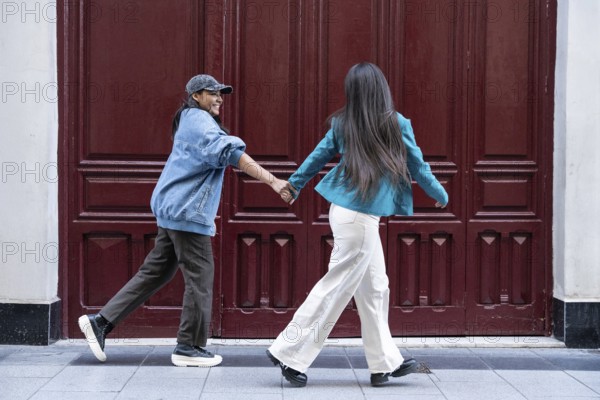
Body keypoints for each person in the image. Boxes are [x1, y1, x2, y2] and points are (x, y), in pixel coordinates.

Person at [78, 74, 293, 367]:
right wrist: (273, 181)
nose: (219, 98)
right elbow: (229, 152)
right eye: (212, 93)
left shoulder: (191, 120)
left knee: (156, 272)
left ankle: (101, 322)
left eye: (221, 94)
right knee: (200, 278)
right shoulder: (199, 121)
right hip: (187, 213)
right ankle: (188, 346)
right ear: (196, 96)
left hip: (174, 210)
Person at [267, 63, 449, 387]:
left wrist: (294, 184)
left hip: (348, 214)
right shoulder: (396, 124)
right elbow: (418, 167)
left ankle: (384, 364)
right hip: (359, 219)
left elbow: (316, 157)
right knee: (336, 286)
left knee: (376, 288)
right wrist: (440, 194)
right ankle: (288, 351)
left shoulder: (343, 123)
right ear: (382, 89)